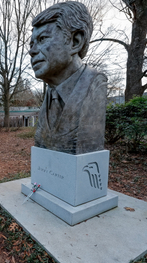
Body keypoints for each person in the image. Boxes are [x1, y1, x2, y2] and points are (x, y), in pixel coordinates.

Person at [29, 1, 108, 155]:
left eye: (43, 39)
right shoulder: (50, 94)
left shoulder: (94, 86)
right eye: (31, 44)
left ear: (75, 41)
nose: (31, 51)